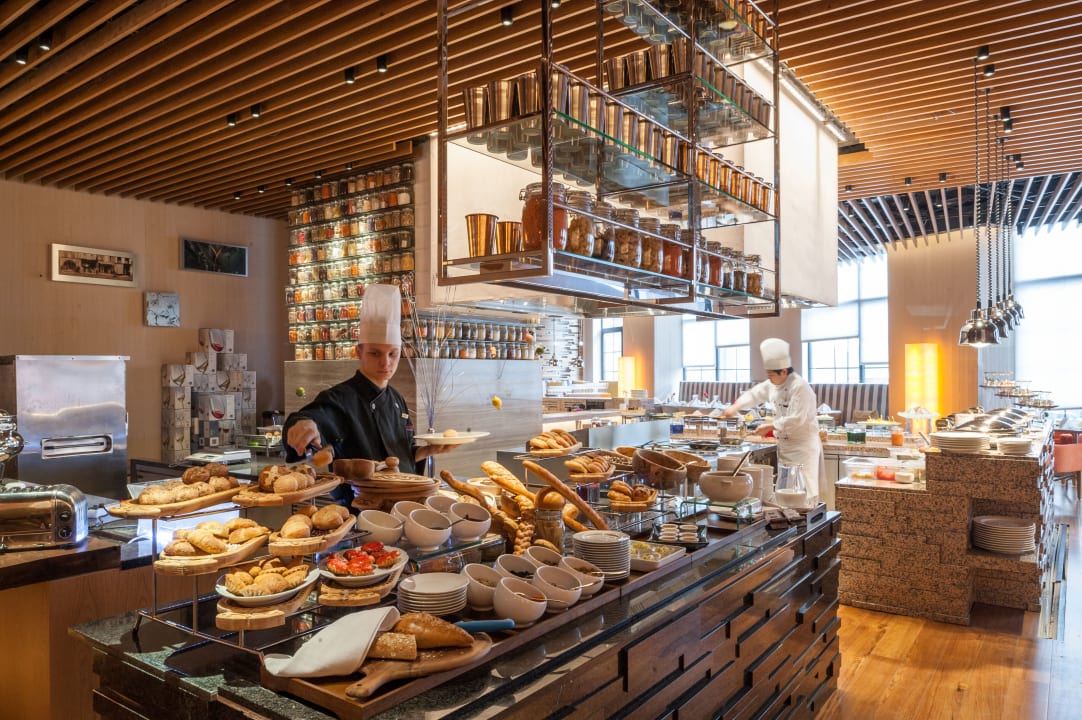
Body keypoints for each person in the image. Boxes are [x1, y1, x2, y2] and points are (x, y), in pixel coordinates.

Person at [283, 284, 455, 484]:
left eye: (393, 354)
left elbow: (400, 456)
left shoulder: (397, 399)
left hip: (403, 496)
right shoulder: (341, 399)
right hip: (359, 502)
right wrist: (305, 423)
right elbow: (316, 417)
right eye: (375, 353)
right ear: (359, 352)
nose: (385, 362)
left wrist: (429, 450)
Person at [723, 338, 824, 504]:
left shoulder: (800, 387)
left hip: (802, 448)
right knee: (785, 492)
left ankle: (807, 517)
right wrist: (735, 407)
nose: (769, 379)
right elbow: (754, 394)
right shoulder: (773, 384)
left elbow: (797, 419)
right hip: (785, 447)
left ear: (783, 371)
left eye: (771, 375)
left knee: (804, 491)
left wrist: (770, 426)